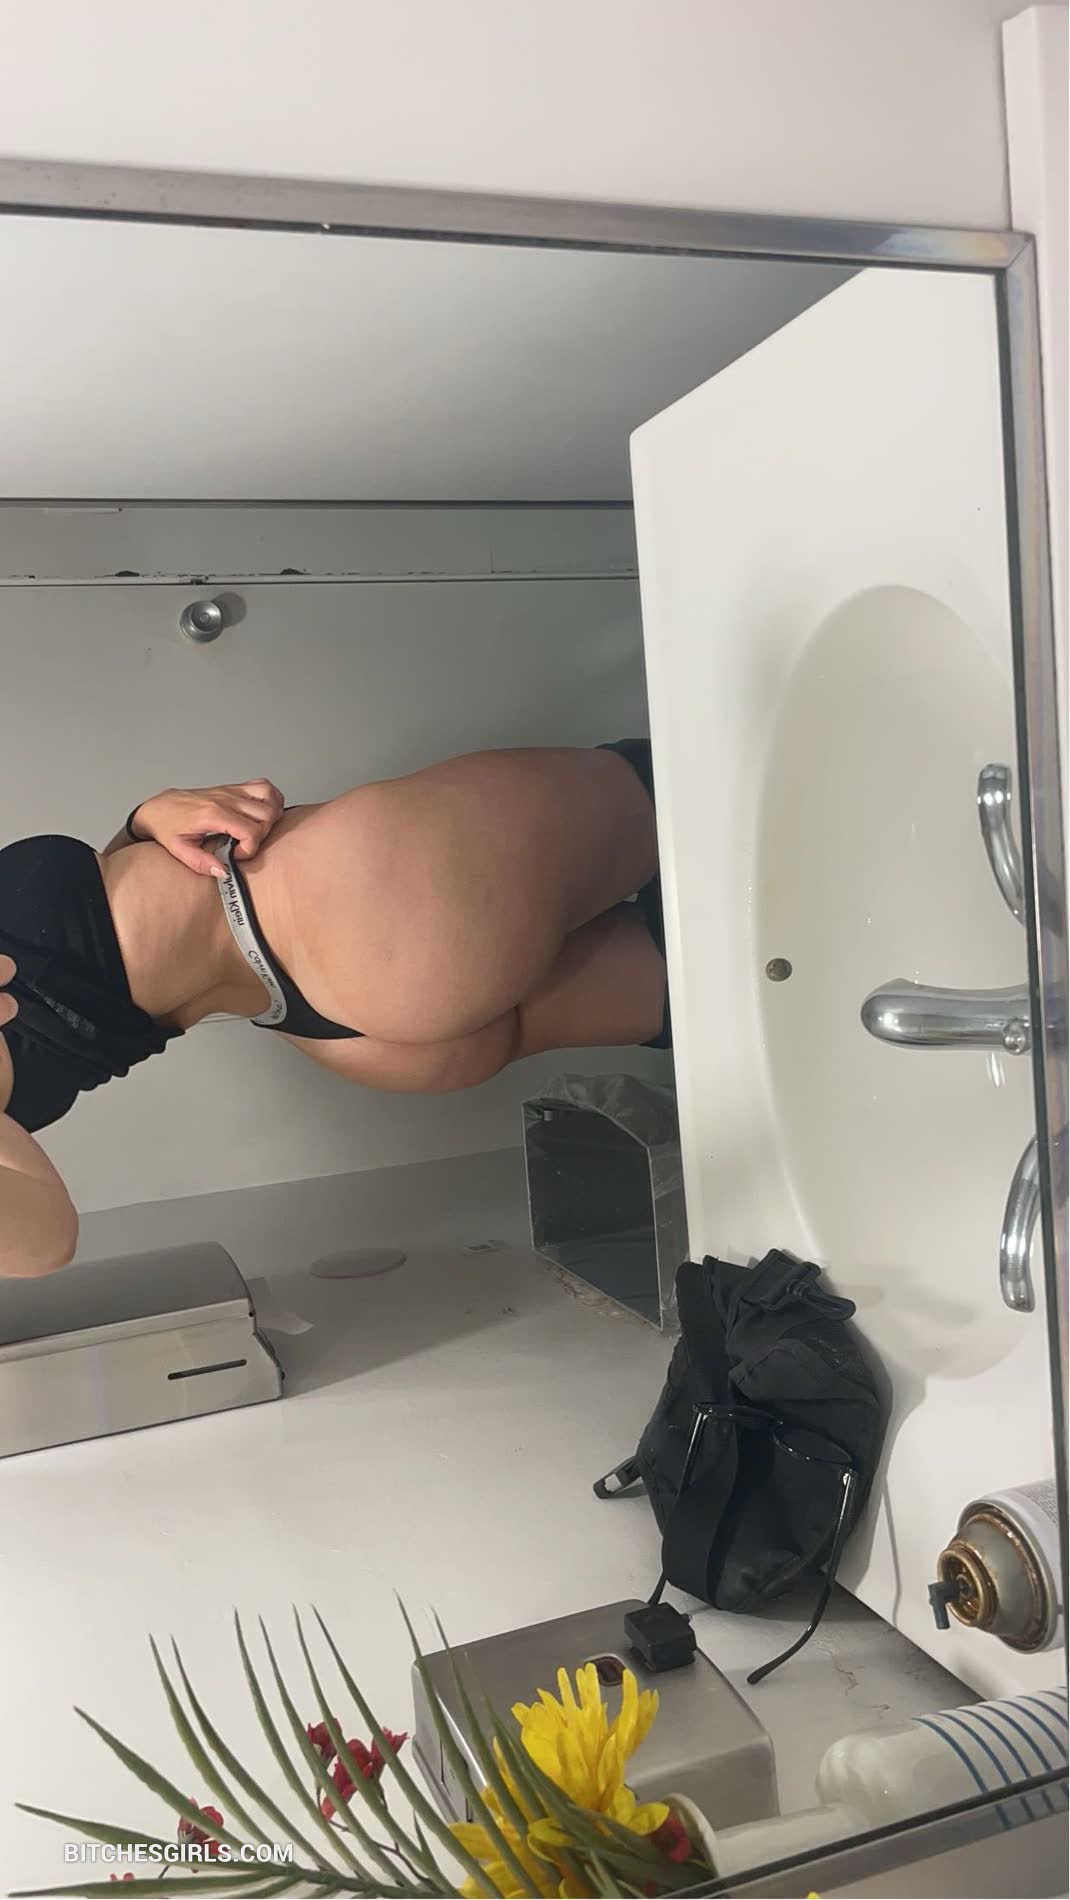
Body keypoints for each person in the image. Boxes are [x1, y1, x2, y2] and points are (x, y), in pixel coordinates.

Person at [0, 739, 670, 1277]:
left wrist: (139, 827)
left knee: (707, 970)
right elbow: (45, 1244)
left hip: (325, 1014)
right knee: (685, 788)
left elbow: (83, 973)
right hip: (352, 899)